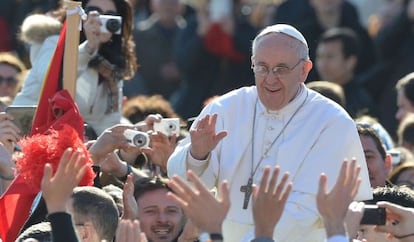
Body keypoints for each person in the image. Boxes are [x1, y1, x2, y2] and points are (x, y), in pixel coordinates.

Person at [167, 23, 372, 242]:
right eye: (262, 67)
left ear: (304, 70)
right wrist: (198, 156)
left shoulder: (332, 122)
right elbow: (186, 186)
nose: (270, 79)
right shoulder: (225, 109)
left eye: (281, 69)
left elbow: (306, 208)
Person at [13, 0, 137, 136]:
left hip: (73, 143)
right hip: (29, 135)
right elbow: (54, 80)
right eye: (94, 13)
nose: (100, 21)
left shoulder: (110, 65)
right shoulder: (54, 42)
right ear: (80, 15)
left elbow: (108, 121)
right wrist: (89, 47)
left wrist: (133, 137)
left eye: (109, 15)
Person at [356, 122, 393, 187]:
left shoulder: (404, 197)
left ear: (387, 163)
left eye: (368, 157)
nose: (361, 167)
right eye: (352, 159)